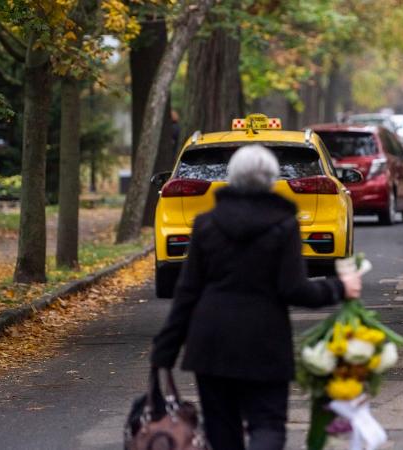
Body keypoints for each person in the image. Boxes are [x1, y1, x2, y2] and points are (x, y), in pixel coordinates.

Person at [150, 145, 362, 450]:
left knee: (222, 433)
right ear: (270, 179)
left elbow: (187, 292)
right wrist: (340, 288)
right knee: (268, 425)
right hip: (265, 342)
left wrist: (164, 350)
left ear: (233, 178)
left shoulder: (206, 224)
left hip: (211, 344)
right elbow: (295, 289)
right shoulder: (283, 226)